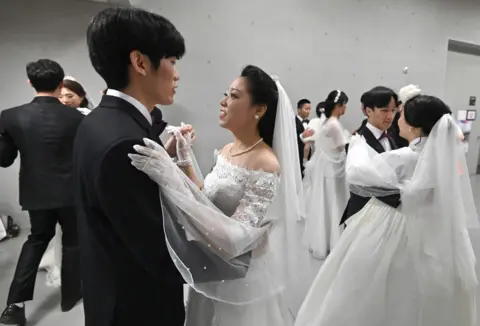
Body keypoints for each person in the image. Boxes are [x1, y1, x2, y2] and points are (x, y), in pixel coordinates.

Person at [129, 65, 310, 325]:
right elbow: (206, 199)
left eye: (234, 96)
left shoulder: (265, 163)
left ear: (258, 110)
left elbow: (236, 238)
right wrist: (183, 160)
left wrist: (170, 178)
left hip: (239, 277)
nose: (223, 101)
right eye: (226, 94)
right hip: (212, 266)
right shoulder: (228, 148)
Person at [295, 91, 478, 326]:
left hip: (396, 226)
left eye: (399, 114)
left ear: (414, 126)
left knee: (373, 288)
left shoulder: (406, 156)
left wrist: (358, 148)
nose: (395, 118)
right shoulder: (443, 158)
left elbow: (358, 173)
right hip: (435, 229)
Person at [73, 8, 188, 326]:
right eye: (172, 61)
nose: (176, 74)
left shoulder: (99, 120)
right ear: (140, 62)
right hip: (137, 306)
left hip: (106, 284)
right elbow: (158, 250)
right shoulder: (125, 142)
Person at [0, 59, 83, 325]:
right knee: (73, 242)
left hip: (36, 192)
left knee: (37, 239)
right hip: (73, 192)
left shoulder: (11, 116)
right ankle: (71, 297)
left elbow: (4, 159)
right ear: (61, 85)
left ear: (30, 82)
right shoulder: (77, 117)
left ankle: (14, 307)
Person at [340, 86, 399, 226]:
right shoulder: (358, 140)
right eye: (385, 110)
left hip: (387, 215)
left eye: (393, 110)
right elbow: (359, 179)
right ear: (368, 111)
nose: (390, 116)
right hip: (364, 214)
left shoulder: (390, 137)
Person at [302, 90, 350, 259]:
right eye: (344, 105)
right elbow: (340, 147)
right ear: (338, 106)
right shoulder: (334, 124)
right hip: (333, 168)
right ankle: (334, 240)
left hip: (326, 166)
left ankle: (324, 239)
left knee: (325, 202)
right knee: (335, 202)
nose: (345, 109)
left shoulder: (326, 122)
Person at [296, 99, 313, 177]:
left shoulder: (310, 123)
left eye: (309, 109)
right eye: (306, 109)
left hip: (309, 157)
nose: (308, 111)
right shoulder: (293, 122)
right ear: (299, 110)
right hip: (297, 156)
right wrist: (302, 135)